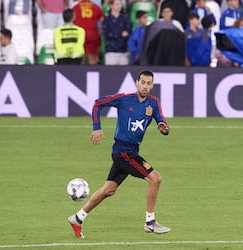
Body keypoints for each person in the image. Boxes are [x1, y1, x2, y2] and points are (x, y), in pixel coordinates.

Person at [68, 70, 171, 238]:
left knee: (109, 190)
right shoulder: (124, 99)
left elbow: (161, 120)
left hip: (131, 151)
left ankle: (78, 218)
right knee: (155, 179)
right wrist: (97, 128)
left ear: (152, 86)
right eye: (142, 82)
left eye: (148, 83)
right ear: (137, 83)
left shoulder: (153, 103)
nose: (145, 86)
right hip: (123, 151)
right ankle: (150, 222)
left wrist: (163, 127)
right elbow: (97, 103)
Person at [73, 0, 105, 64]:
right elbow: (103, 20)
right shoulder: (96, 7)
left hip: (80, 35)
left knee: (80, 57)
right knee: (93, 56)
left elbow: (72, 20)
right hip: (93, 34)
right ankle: (93, 72)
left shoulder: (76, 7)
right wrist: (100, 33)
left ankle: (81, 73)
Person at [102, 0, 131, 65]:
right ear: (111, 6)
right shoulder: (107, 19)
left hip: (123, 51)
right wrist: (120, 34)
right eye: (117, 4)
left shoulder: (125, 19)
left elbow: (128, 32)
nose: (119, 6)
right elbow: (106, 33)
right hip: (111, 51)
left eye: (120, 4)